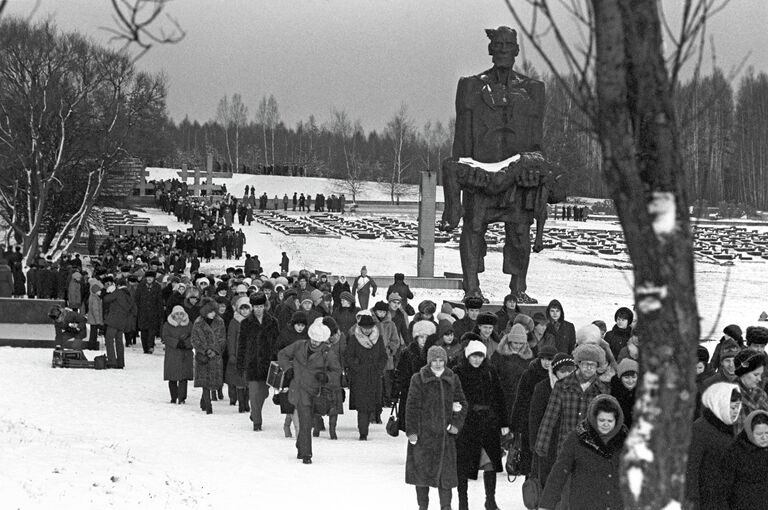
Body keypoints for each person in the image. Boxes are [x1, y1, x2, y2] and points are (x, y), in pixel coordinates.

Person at [538, 395, 628, 510]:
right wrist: (546, 504)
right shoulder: (578, 439)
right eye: (601, 420)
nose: (606, 424)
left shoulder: (626, 441)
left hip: (615, 503)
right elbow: (559, 472)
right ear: (594, 418)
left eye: (610, 421)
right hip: (584, 503)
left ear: (617, 421)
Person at [405, 346, 468, 510]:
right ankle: (422, 506)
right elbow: (411, 407)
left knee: (445, 476)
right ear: (429, 361)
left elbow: (462, 403)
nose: (438, 364)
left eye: (441, 360)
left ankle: (446, 507)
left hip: (446, 437)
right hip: (423, 436)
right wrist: (412, 431)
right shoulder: (418, 379)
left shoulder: (452, 378)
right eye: (435, 360)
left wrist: (455, 425)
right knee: (421, 475)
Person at [278, 318, 342, 464]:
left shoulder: (327, 353)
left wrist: (326, 377)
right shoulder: (299, 345)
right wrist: (288, 369)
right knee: (305, 421)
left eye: (318, 340)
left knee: (309, 421)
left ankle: (301, 444)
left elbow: (337, 371)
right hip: (299, 390)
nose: (314, 342)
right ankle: (306, 454)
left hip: (317, 392)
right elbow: (282, 354)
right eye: (313, 338)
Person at [454, 340, 508, 510]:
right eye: (473, 356)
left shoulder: (490, 372)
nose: (477, 360)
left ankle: (490, 500)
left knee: (490, 464)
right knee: (463, 467)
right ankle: (463, 503)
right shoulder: (458, 372)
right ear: (467, 356)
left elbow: (500, 397)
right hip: (466, 426)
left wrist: (504, 422)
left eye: (480, 356)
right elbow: (452, 396)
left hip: (489, 425)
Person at [535, 343, 610, 459]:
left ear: (597, 367)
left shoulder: (602, 390)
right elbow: (550, 417)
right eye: (585, 364)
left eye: (593, 365)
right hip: (566, 446)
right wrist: (542, 444)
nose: (589, 368)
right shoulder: (562, 386)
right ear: (578, 364)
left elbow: (606, 422)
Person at [685, 382, 742, 510]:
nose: (735, 412)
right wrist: (693, 504)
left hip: (726, 499)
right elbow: (692, 470)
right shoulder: (699, 429)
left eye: (738, 407)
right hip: (706, 500)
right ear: (720, 404)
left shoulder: (729, 427)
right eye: (732, 407)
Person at [529, 352, 577, 487]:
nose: (567, 374)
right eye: (563, 371)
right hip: (548, 439)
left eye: (570, 370)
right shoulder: (543, 388)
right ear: (555, 371)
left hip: (568, 437)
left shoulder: (578, 387)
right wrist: (534, 444)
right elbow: (535, 417)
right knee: (548, 477)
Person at [510, 344, 558, 477]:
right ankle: (531, 492)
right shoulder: (529, 374)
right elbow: (520, 399)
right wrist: (515, 424)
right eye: (544, 359)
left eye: (550, 359)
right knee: (530, 463)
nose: (547, 362)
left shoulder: (558, 375)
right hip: (530, 422)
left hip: (551, 421)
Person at [237, 292, 280, 431]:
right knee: (254, 393)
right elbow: (241, 344)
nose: (258, 309)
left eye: (261, 306)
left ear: (265, 306)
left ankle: (254, 412)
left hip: (269, 364)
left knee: (263, 393)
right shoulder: (245, 323)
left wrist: (278, 360)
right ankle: (257, 421)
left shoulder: (273, 322)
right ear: (252, 307)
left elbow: (278, 343)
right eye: (256, 307)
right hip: (252, 363)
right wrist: (240, 364)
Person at [346, 310, 388, 440]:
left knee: (372, 404)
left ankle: (367, 425)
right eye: (364, 328)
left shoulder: (378, 338)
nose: (367, 331)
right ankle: (363, 432)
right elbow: (348, 356)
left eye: (369, 328)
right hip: (360, 377)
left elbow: (383, 356)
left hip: (374, 376)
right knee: (362, 406)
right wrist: (357, 367)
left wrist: (379, 369)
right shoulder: (354, 339)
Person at [721, 410, 768, 510]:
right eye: (759, 434)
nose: (764, 437)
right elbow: (723, 491)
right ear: (750, 432)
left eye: (767, 433)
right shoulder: (735, 452)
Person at [395, 319, 436, 432]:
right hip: (410, 391)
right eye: (421, 337)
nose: (424, 340)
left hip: (429, 392)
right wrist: (397, 389)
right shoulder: (407, 352)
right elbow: (401, 372)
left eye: (427, 337)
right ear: (416, 337)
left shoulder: (435, 353)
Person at [490, 324, 532, 422]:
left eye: (521, 343)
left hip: (521, 400)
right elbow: (492, 377)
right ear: (509, 341)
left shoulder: (528, 358)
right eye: (515, 343)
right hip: (503, 398)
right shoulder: (499, 356)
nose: (518, 346)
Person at [191, 297, 226, 415]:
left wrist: (215, 350)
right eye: (210, 312)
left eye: (214, 311)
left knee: (212, 381)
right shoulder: (198, 323)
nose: (213, 314)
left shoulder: (220, 321)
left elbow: (222, 339)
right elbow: (195, 340)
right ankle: (208, 404)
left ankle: (204, 400)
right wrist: (205, 350)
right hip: (204, 356)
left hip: (215, 356)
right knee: (204, 381)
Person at [162, 305, 193, 404]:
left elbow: (194, 336)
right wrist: (176, 343)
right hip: (172, 353)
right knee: (172, 377)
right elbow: (165, 337)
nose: (179, 316)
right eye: (177, 314)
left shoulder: (189, 325)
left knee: (183, 377)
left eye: (181, 314)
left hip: (185, 354)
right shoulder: (167, 325)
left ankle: (182, 397)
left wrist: (186, 343)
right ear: (173, 315)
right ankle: (173, 397)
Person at [102, 278, 136, 369]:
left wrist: (108, 291)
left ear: (118, 285)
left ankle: (112, 361)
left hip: (113, 320)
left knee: (109, 340)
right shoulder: (129, 294)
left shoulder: (118, 292)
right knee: (119, 341)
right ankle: (120, 362)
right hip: (122, 321)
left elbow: (106, 299)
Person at [226, 297, 251, 412]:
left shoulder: (253, 321)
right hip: (238, 354)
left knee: (249, 381)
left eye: (247, 308)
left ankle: (247, 402)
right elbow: (231, 339)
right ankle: (242, 403)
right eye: (242, 308)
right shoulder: (234, 321)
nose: (245, 311)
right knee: (240, 380)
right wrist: (231, 354)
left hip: (250, 355)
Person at [734, 349, 768, 430]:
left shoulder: (761, 394)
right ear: (743, 373)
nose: (759, 379)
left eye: (761, 374)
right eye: (756, 375)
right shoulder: (729, 397)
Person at [135, 270, 163, 354]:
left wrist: (160, 312)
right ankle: (145, 348)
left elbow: (159, 300)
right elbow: (137, 299)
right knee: (144, 331)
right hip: (143, 312)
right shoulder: (141, 286)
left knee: (152, 331)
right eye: (148, 277)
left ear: (154, 278)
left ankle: (150, 346)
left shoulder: (157, 287)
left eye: (151, 277)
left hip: (153, 312)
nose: (149, 279)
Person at [611, 357, 638, 427]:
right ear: (620, 378)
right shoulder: (613, 395)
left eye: (633, 377)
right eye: (626, 377)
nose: (630, 381)